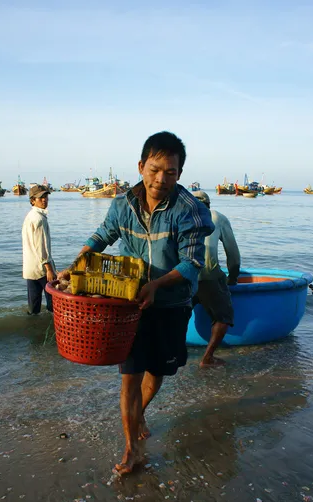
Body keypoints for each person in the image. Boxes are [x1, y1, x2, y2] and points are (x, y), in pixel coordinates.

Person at [58, 131, 214, 475]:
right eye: (155, 169)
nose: (161, 179)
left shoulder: (190, 211)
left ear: (179, 173)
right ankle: (131, 448)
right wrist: (74, 267)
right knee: (129, 375)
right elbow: (101, 237)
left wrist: (157, 284)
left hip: (171, 304)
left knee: (158, 371)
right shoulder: (122, 205)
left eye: (170, 172)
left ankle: (140, 411)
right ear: (142, 166)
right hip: (128, 304)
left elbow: (192, 263)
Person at [192, 191, 241, 367]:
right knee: (224, 317)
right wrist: (233, 277)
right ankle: (208, 358)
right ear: (209, 204)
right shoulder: (217, 217)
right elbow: (233, 254)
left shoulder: (179, 216)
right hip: (208, 277)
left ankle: (173, 353)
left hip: (180, 276)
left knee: (178, 315)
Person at [22, 184, 56, 315]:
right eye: (40, 197)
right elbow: (40, 246)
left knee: (33, 308)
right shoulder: (39, 219)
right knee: (53, 305)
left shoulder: (30, 216)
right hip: (42, 269)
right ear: (32, 200)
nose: (44, 199)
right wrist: (49, 268)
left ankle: (32, 330)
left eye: (46, 196)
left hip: (30, 268)